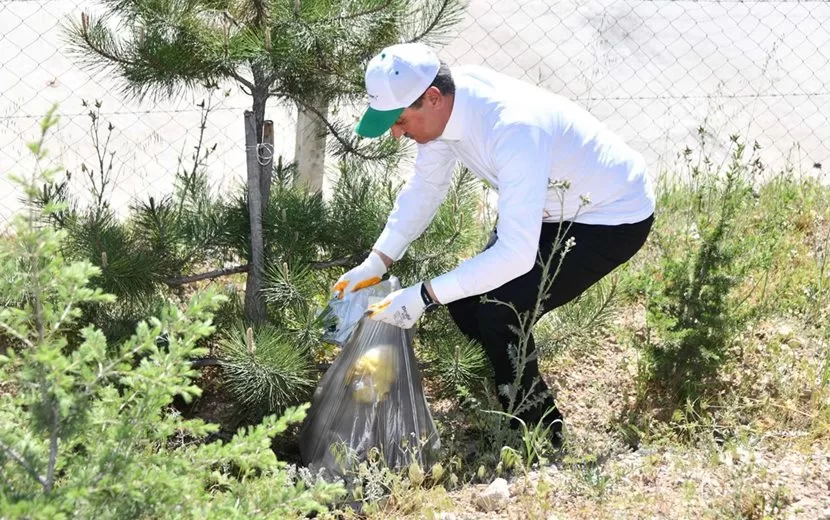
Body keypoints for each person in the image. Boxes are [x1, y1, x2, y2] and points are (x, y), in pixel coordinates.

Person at [333, 42, 655, 444]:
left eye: (398, 120)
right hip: (547, 206)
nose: (397, 134)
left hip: (609, 216)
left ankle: (540, 436)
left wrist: (423, 296)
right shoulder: (445, 112)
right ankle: (509, 385)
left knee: (500, 313)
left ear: (432, 98)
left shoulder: (512, 127)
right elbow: (426, 188)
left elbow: (516, 255)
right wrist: (377, 261)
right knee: (469, 306)